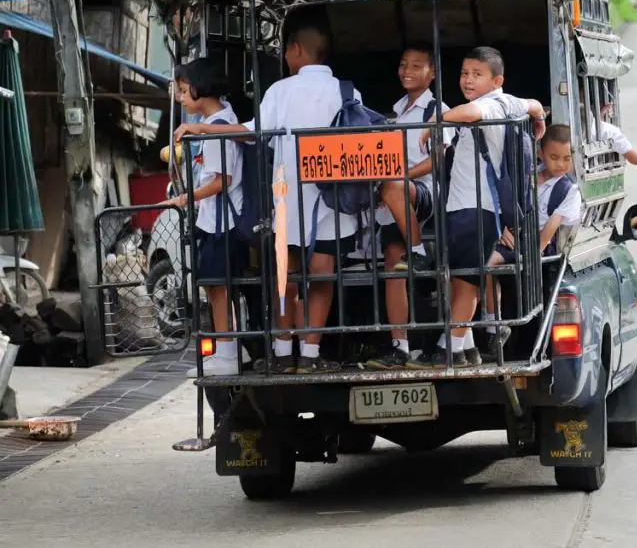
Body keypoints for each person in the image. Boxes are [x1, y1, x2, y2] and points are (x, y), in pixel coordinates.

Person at [175, 19, 356, 374]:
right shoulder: (348, 92)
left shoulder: (281, 91)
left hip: (289, 196)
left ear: (296, 51)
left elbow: (250, 134)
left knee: (285, 276)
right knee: (322, 275)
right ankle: (311, 353)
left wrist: (201, 129)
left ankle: (281, 350)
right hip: (335, 198)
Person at [409, 46, 546, 369]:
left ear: (496, 79)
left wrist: (437, 119)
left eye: (477, 74)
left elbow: (471, 114)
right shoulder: (510, 102)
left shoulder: (493, 104)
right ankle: (465, 348)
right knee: (459, 278)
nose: (468, 80)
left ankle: (450, 349)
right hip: (467, 206)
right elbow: (535, 104)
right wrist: (538, 118)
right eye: (464, 73)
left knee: (468, 281)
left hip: (476, 207)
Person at [366, 43, 455, 370]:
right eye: (403, 64)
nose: (407, 71)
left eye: (416, 66)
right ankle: (400, 345)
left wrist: (397, 176)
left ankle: (417, 251)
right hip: (395, 197)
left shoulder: (437, 109)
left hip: (425, 193)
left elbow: (438, 160)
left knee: (391, 185)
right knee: (392, 269)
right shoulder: (396, 109)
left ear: (431, 73)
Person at [163, 58, 248, 377]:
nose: (181, 99)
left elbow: (221, 180)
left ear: (200, 90)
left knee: (218, 288)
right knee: (216, 288)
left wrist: (185, 198)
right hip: (215, 219)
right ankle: (228, 350)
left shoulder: (217, 127)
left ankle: (227, 354)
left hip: (221, 221)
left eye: (184, 92)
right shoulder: (221, 119)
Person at [482, 124, 581, 359]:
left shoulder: (569, 190)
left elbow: (552, 225)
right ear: (540, 154)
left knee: (501, 270)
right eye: (554, 157)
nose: (560, 164)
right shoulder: (526, 177)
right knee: (485, 263)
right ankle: (493, 324)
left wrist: (533, 254)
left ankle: (501, 329)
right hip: (511, 236)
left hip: (535, 245)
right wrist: (500, 230)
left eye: (567, 159)